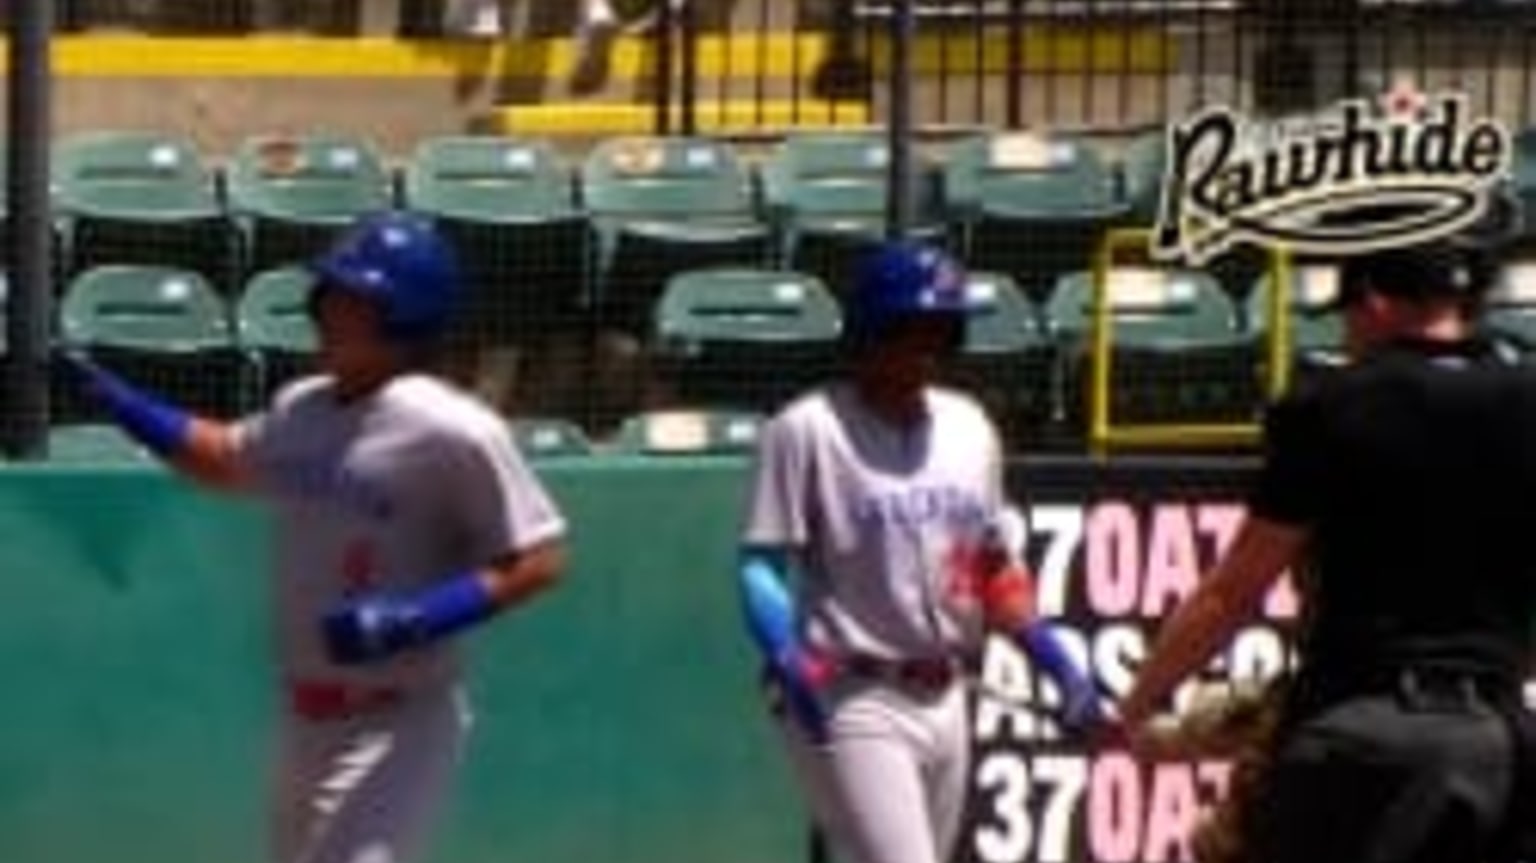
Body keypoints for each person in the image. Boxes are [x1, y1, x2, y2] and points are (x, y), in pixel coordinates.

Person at [59, 211, 569, 863]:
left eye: (349, 297)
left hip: (400, 717)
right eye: (327, 293)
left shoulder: (454, 429)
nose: (325, 309)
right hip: (304, 717)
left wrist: (419, 616)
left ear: (401, 314)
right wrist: (118, 402)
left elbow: (542, 556)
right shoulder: (305, 406)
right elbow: (223, 457)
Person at [1112, 221, 1536, 863]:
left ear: (1373, 299)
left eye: (1347, 316)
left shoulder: (1332, 404)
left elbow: (1234, 590)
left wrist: (1142, 701)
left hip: (1362, 735)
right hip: (1497, 742)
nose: (1347, 333)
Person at [734, 240, 1103, 863]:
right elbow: (761, 563)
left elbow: (990, 565)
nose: (926, 348)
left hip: (946, 693)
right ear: (870, 333)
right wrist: (784, 651)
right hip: (853, 692)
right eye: (909, 329)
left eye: (940, 330)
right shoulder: (808, 429)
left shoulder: (968, 426)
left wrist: (1051, 656)